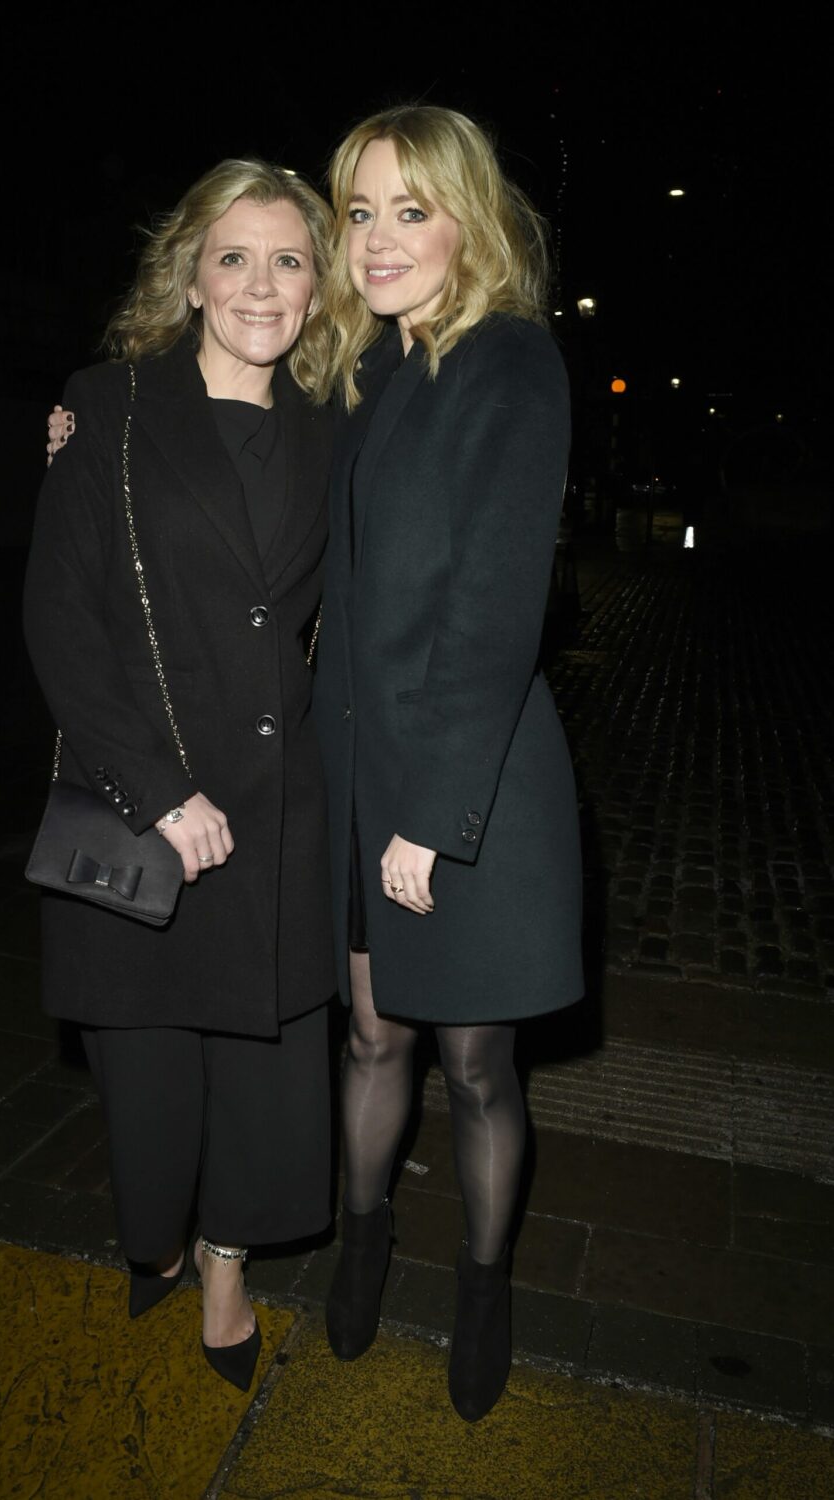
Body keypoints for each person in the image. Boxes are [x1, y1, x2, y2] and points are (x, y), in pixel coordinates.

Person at [25, 159, 337, 1393]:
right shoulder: (105, 409)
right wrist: (156, 788)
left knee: (263, 1088)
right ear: (192, 276)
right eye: (233, 257)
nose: (260, 284)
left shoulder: (337, 426)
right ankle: (161, 1233)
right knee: (149, 1084)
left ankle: (225, 1262)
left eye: (289, 259)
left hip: (279, 817)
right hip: (147, 803)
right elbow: (61, 620)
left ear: (318, 286)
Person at [311, 105, 583, 1422]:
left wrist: (428, 820)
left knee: (475, 1065)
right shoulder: (375, 375)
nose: (375, 239)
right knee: (371, 1039)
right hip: (368, 778)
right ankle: (363, 1239)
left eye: (408, 209)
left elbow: (493, 606)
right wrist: (96, 434)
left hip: (462, 790)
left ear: (467, 221)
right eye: (358, 212)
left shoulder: (509, 364)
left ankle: (485, 1283)